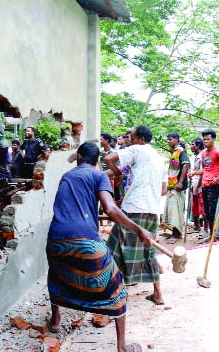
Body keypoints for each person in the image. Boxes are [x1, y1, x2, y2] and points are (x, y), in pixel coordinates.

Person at [46, 141, 148, 352]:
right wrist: (138, 229)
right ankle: (121, 346)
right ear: (96, 161)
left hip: (55, 240)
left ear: (80, 158)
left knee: (56, 273)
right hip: (85, 242)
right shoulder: (99, 175)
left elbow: (80, 207)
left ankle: (55, 321)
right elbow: (110, 208)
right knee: (117, 285)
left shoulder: (67, 175)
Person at [104, 125, 167, 306]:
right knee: (147, 250)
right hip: (152, 210)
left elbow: (108, 158)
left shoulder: (136, 150)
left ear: (139, 138)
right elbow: (163, 190)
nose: (128, 139)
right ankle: (157, 294)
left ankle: (111, 294)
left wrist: (116, 174)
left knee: (114, 248)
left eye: (130, 136)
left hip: (134, 210)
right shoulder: (159, 158)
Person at [189, 129, 219, 242]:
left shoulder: (217, 152)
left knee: (212, 211)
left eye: (208, 139)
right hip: (205, 184)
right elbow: (206, 169)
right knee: (206, 212)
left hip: (214, 186)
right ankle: (211, 235)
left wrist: (217, 179)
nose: (206, 141)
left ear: (214, 139)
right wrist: (194, 172)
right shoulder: (204, 153)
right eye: (204, 139)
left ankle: (214, 236)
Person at [162, 132, 190, 241]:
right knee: (172, 210)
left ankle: (176, 234)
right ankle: (174, 232)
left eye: (170, 139)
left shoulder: (181, 151)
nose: (168, 141)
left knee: (176, 210)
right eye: (167, 139)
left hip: (178, 186)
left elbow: (186, 165)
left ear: (177, 140)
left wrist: (181, 182)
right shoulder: (174, 152)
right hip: (172, 186)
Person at [188, 138, 208, 236]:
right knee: (194, 206)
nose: (191, 146)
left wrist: (199, 185)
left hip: (200, 185)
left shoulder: (202, 156)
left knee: (202, 207)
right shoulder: (194, 157)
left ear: (198, 146)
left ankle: (205, 229)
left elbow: (202, 172)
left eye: (193, 144)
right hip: (194, 184)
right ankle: (196, 226)